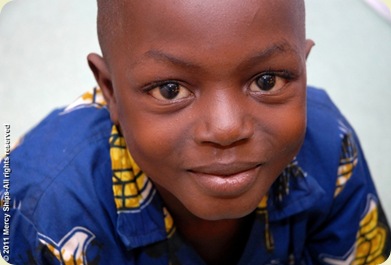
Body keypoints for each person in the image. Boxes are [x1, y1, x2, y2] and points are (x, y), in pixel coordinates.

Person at [1, 0, 390, 264]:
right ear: (110, 91)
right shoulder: (39, 209)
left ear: (303, 70)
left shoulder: (331, 148)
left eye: (268, 81)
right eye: (171, 90)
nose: (226, 129)